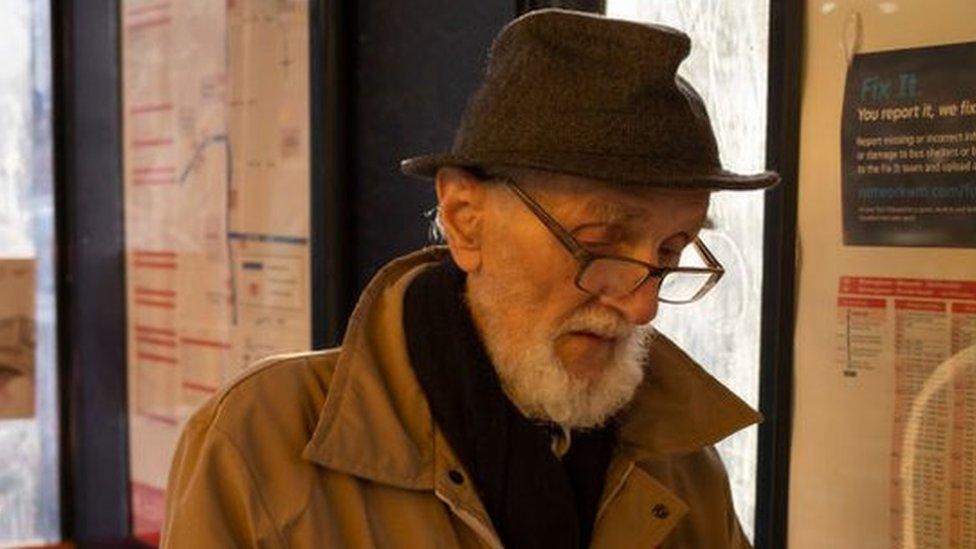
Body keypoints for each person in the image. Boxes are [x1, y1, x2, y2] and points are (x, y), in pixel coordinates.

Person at [161, 8, 779, 549]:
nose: (642, 304)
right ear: (465, 220)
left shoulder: (679, 461)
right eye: (599, 242)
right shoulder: (265, 438)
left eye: (671, 251)